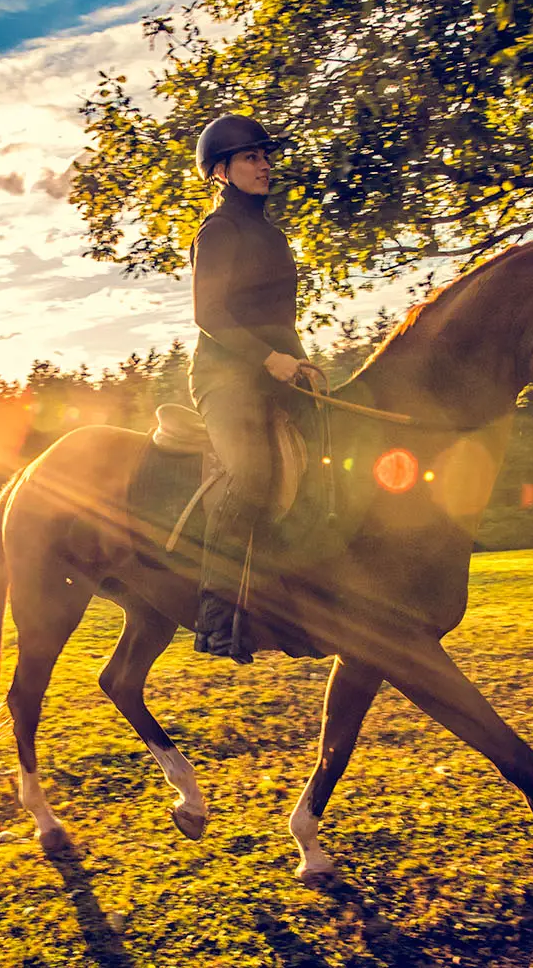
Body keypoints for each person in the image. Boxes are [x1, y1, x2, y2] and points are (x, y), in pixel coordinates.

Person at [188, 114, 315, 663]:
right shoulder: (218, 232)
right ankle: (216, 621)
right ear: (220, 172)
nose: (264, 165)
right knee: (254, 473)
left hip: (276, 372)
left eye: (265, 157)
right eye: (250, 158)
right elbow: (208, 313)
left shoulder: (273, 233)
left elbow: (280, 319)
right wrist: (267, 359)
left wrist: (301, 364)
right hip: (224, 380)